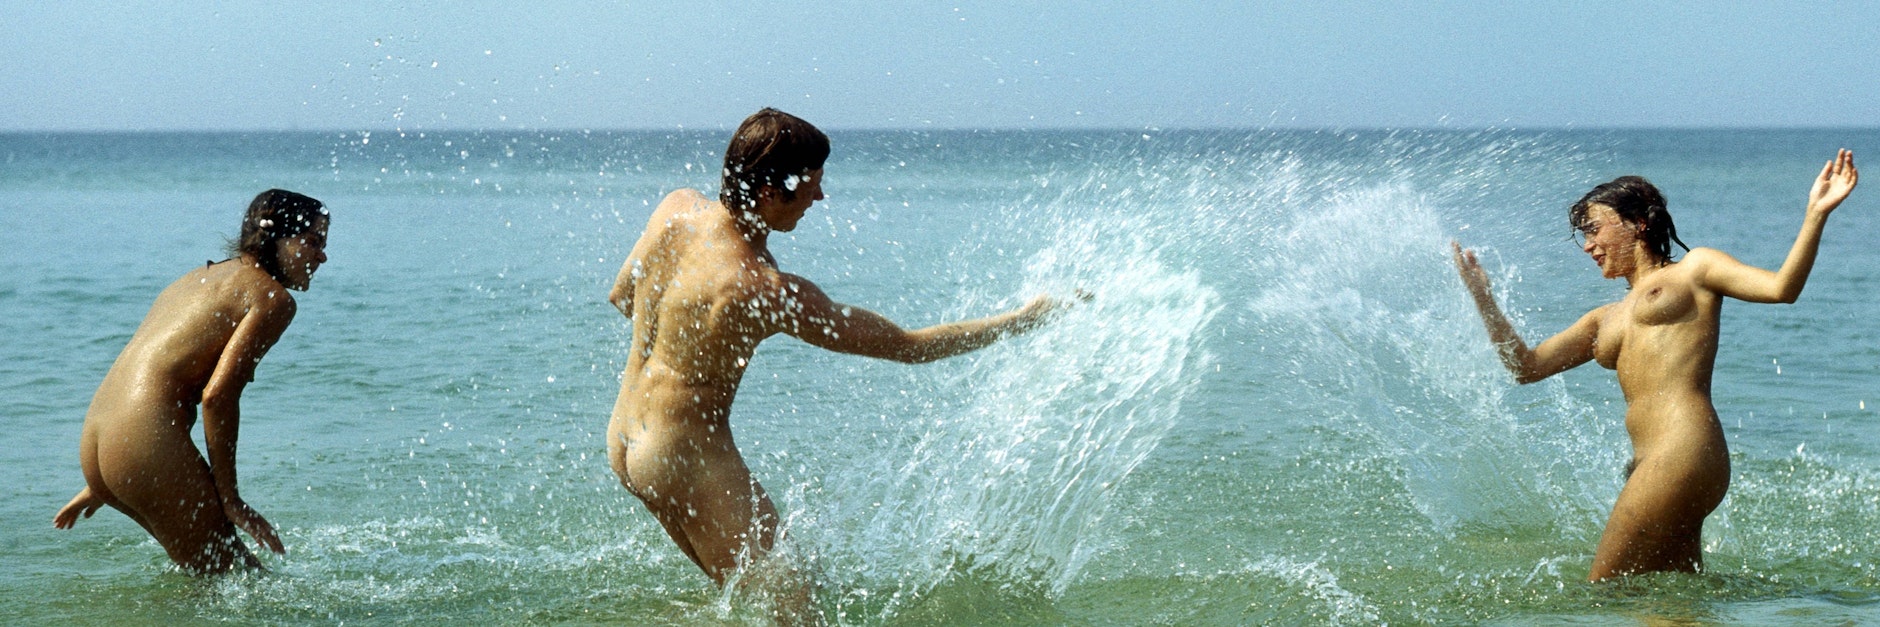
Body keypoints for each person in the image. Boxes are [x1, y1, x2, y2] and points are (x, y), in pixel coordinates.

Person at [606, 109, 1061, 598]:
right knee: (800, 609)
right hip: (686, 457)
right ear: (768, 193)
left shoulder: (676, 208)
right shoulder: (763, 289)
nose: (819, 197)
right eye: (810, 186)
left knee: (744, 599)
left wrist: (688, 345)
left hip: (626, 438)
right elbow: (908, 347)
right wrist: (1022, 320)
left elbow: (622, 296)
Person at [1453, 150, 1858, 581]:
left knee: (1602, 592)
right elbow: (1526, 367)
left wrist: (1816, 214)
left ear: (1638, 223)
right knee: (1670, 604)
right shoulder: (1603, 318)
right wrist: (1484, 298)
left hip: (1681, 451)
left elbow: (1782, 288)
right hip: (1660, 464)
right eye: (1582, 236)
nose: (1588, 246)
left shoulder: (1694, 271)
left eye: (1594, 230)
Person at [54, 189, 331, 574]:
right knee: (241, 583)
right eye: (313, 242)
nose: (322, 256)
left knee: (216, 584)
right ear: (275, 237)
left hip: (101, 442)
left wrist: (107, 474)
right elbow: (217, 397)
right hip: (143, 449)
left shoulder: (196, 279)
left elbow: (149, 368)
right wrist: (230, 498)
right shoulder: (272, 298)